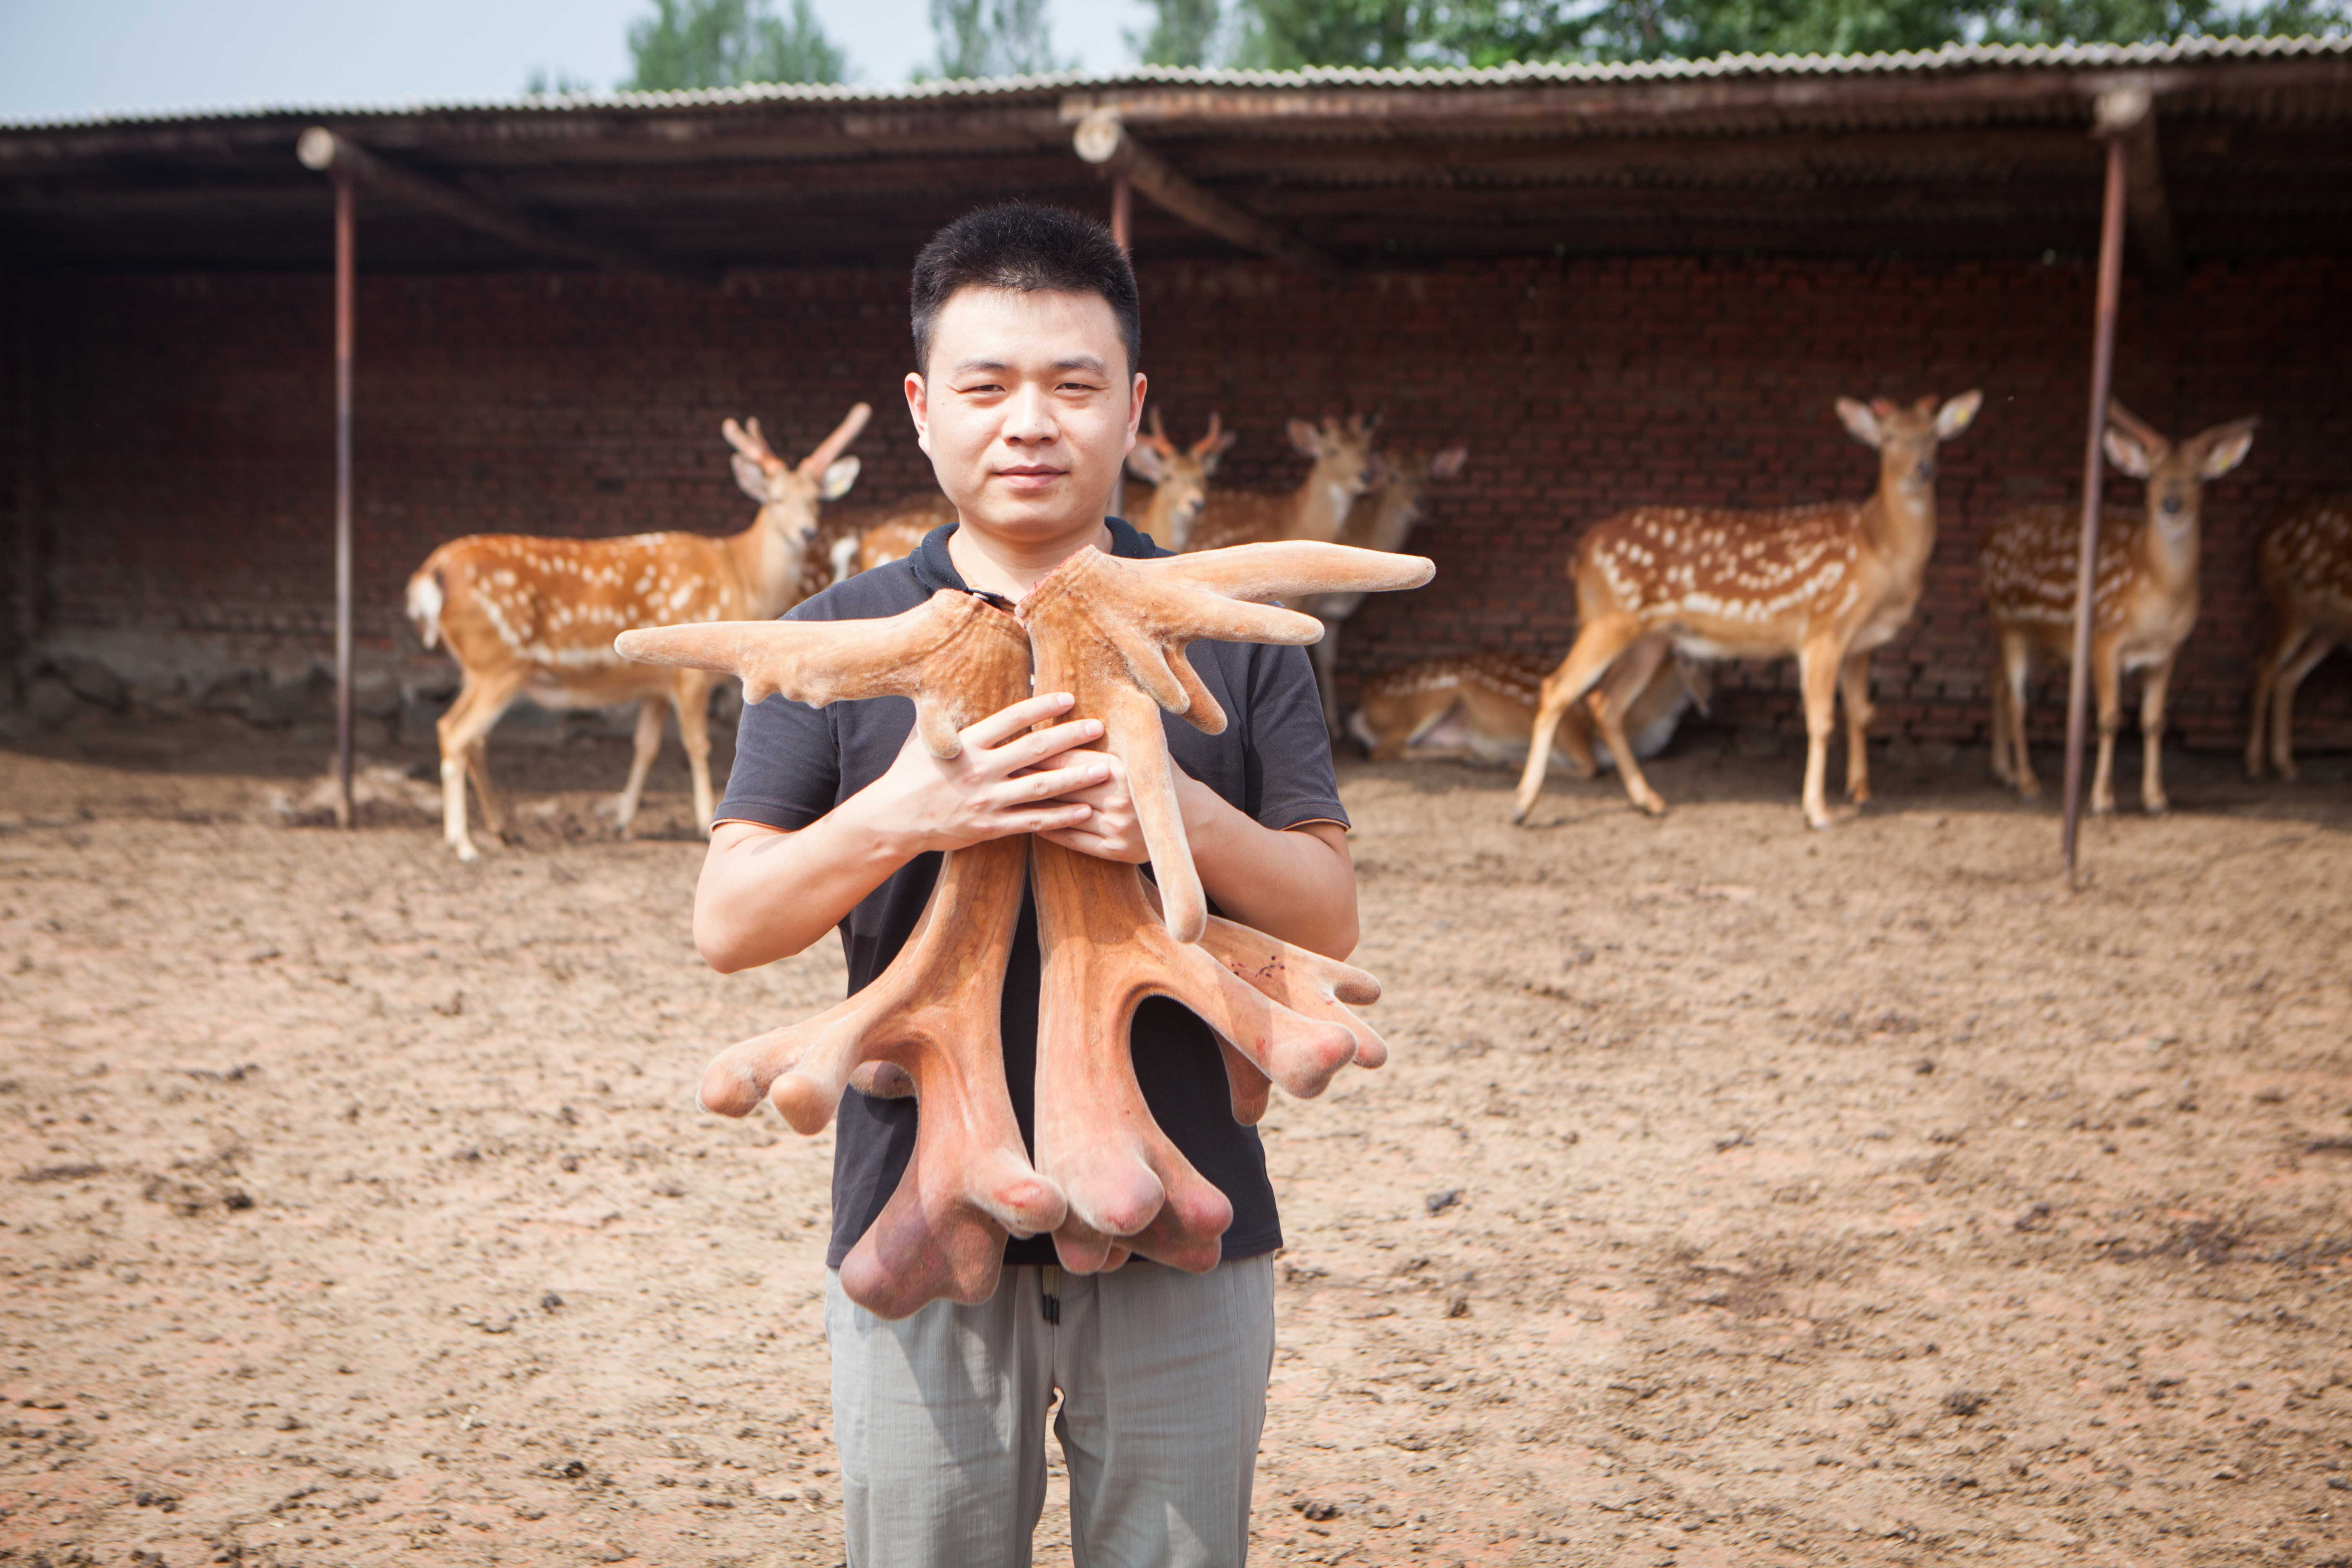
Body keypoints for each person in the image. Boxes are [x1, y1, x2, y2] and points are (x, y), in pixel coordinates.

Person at [692, 202, 1360, 1568]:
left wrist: (1179, 816)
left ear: (1135, 409)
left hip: (1188, 1210)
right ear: (924, 408)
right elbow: (730, 924)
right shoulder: (835, 642)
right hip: (919, 1219)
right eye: (989, 386)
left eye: (1074, 384)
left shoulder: (1231, 628)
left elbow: (1327, 910)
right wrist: (907, 812)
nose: (1031, 422)